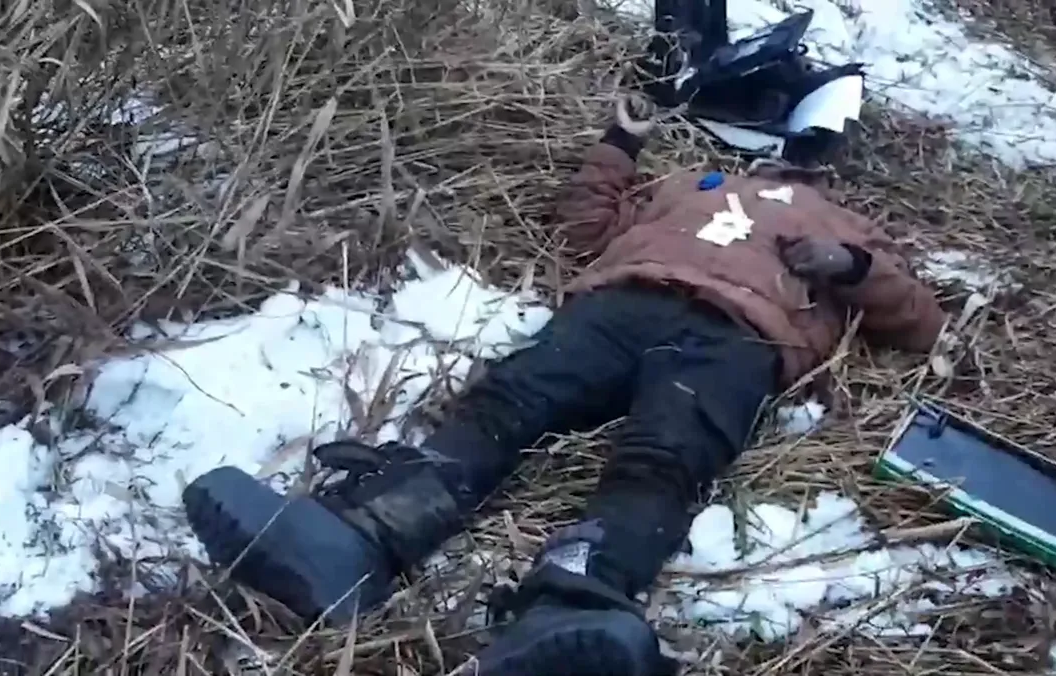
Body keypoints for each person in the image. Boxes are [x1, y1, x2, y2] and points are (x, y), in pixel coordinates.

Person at [182, 96, 947, 676]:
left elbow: (919, 320)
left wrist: (850, 266)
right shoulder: (695, 183)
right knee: (506, 401)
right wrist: (621, 142)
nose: (792, 166)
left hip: (735, 336)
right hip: (621, 301)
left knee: (664, 458)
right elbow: (584, 228)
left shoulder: (850, 226)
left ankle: (574, 605)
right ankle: (357, 539)